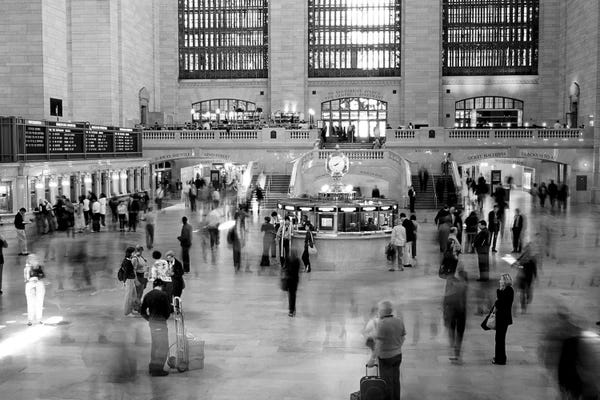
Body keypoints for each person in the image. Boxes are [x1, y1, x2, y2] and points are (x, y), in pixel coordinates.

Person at [366, 300, 406, 400]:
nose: (378, 312)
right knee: (396, 380)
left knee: (386, 382)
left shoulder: (382, 324)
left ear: (384, 311)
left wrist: (372, 359)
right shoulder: (399, 321)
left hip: (385, 358)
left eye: (379, 310)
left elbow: (379, 344)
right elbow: (403, 337)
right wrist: (397, 346)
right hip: (398, 355)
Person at [140, 278, 171, 376]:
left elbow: (142, 311)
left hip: (152, 324)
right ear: (162, 286)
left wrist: (149, 319)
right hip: (161, 324)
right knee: (163, 347)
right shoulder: (164, 295)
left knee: (155, 346)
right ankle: (158, 370)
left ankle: (152, 367)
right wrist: (163, 318)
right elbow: (167, 312)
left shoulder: (147, 295)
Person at [443, 268, 468, 362]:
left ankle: (454, 351)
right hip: (461, 311)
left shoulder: (450, 283)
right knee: (459, 333)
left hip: (452, 311)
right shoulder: (464, 285)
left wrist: (444, 312)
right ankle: (457, 352)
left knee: (452, 331)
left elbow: (446, 298)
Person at [492, 273, 514, 365]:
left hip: (503, 319)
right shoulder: (508, 290)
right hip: (503, 318)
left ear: (505, 281)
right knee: (499, 338)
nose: (499, 281)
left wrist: (499, 290)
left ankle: (500, 359)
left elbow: (499, 303)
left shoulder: (507, 291)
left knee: (500, 339)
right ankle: (500, 357)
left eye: (501, 280)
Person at [513, 243, 538, 313]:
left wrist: (535, 277)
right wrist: (516, 264)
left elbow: (534, 269)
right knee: (522, 292)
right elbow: (516, 263)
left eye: (528, 250)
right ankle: (523, 307)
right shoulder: (522, 257)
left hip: (529, 277)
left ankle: (528, 297)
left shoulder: (532, 259)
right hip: (522, 277)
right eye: (526, 250)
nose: (527, 252)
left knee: (527, 292)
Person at [24, 254, 46, 325]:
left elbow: (43, 276)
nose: (34, 261)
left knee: (39, 302)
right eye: (31, 259)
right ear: (29, 261)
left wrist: (38, 279)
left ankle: (39, 319)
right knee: (30, 303)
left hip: (39, 286)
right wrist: (32, 279)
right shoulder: (26, 269)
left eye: (35, 259)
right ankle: (30, 319)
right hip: (30, 286)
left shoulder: (40, 268)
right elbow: (26, 279)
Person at [121, 247, 138, 316]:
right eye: (134, 252)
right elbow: (126, 273)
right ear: (131, 253)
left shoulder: (129, 260)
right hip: (129, 280)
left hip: (131, 279)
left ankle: (132, 309)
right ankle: (127, 312)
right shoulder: (127, 262)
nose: (135, 253)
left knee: (134, 295)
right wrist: (124, 281)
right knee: (128, 296)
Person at [285, 250, 301, 317]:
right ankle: (292, 308)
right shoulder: (292, 260)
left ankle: (292, 309)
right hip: (291, 280)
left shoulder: (296, 261)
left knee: (291, 295)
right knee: (291, 295)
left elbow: (287, 269)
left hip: (292, 280)